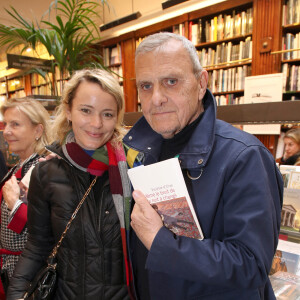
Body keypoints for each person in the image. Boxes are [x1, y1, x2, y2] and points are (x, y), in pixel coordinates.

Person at [123, 32, 283, 299]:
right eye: (146, 86)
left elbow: (251, 264)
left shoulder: (244, 156)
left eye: (171, 82)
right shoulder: (140, 152)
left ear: (201, 84)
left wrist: (160, 242)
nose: (156, 98)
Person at [7, 69, 134, 299]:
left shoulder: (134, 167)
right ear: (68, 111)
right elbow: (37, 247)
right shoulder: (46, 173)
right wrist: (16, 295)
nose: (96, 123)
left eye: (107, 114)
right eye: (86, 110)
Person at [0, 97, 52, 299]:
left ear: (37, 131)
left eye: (16, 124)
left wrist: (15, 205)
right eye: (6, 124)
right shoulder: (18, 168)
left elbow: (47, 227)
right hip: (13, 269)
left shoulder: (43, 168)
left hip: (29, 273)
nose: (7, 132)